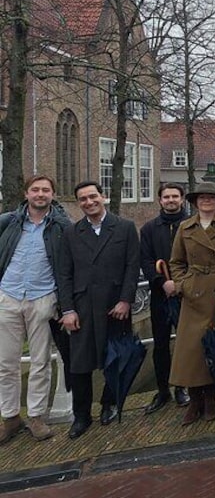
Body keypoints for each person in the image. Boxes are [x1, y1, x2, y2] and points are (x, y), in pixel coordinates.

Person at [58, 181, 140, 439]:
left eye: (93, 196)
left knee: (116, 358)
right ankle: (81, 415)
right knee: (79, 364)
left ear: (103, 197)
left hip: (115, 306)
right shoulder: (71, 233)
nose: (89, 202)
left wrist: (126, 300)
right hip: (82, 308)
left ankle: (110, 403)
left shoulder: (125, 228)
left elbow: (131, 266)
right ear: (78, 203)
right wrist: (68, 309)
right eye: (82, 199)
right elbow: (64, 274)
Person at [0, 176, 70, 444]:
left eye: (45, 190)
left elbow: (68, 267)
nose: (40, 194)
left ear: (53, 194)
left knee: (41, 361)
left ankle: (37, 416)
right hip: (9, 295)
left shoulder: (61, 226)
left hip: (42, 298)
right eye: (35, 190)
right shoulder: (9, 222)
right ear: (26, 193)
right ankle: (10, 417)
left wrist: (63, 303)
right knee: (6, 363)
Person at [170, 183, 215, 426]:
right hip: (193, 295)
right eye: (202, 197)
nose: (206, 201)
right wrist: (182, 285)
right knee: (190, 351)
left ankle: (211, 399)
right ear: (194, 202)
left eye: (211, 198)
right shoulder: (184, 227)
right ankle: (194, 401)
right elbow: (176, 262)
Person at [139, 183, 190, 415]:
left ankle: (183, 386)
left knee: (185, 344)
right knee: (160, 345)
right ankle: (162, 391)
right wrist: (162, 282)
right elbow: (146, 260)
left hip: (186, 295)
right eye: (166, 197)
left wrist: (181, 284)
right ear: (160, 200)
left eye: (175, 196)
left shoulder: (191, 225)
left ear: (182, 199)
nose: (171, 200)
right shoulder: (149, 229)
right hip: (160, 296)